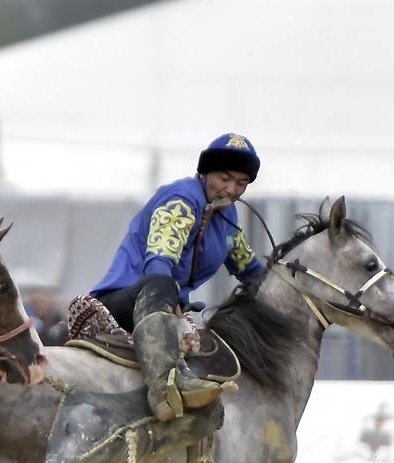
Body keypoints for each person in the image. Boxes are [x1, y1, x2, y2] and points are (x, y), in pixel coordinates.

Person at [88, 132, 267, 422]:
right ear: (206, 171)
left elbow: (251, 271)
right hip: (124, 302)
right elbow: (159, 261)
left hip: (165, 306)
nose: (232, 189)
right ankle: (163, 387)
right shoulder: (181, 199)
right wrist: (174, 309)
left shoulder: (228, 217)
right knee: (162, 282)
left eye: (241, 184)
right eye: (224, 178)